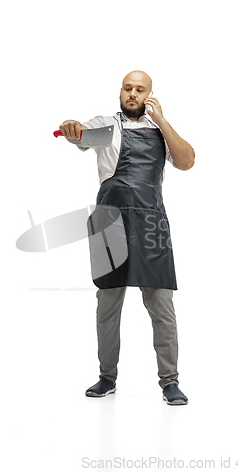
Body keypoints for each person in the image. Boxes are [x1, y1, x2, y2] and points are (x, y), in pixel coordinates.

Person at [59, 70, 195, 405]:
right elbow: (80, 133)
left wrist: (161, 119)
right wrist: (71, 128)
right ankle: (107, 377)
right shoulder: (106, 126)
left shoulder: (161, 131)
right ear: (120, 91)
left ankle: (170, 381)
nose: (132, 93)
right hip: (109, 224)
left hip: (151, 226)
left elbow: (187, 161)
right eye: (127, 88)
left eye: (140, 89)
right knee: (108, 305)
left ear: (149, 94)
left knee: (162, 306)